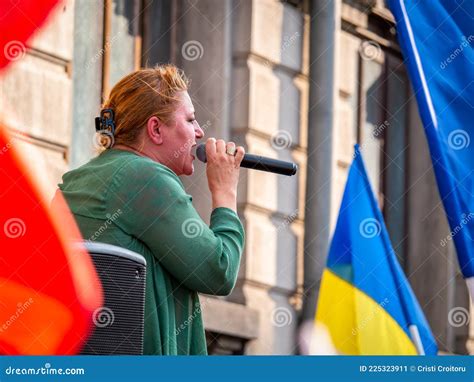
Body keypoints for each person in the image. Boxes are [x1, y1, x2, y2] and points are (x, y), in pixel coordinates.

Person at [52, 64, 246, 355]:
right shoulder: (145, 177)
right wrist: (225, 191)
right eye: (190, 120)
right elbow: (218, 271)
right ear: (155, 129)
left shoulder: (79, 179)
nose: (199, 131)